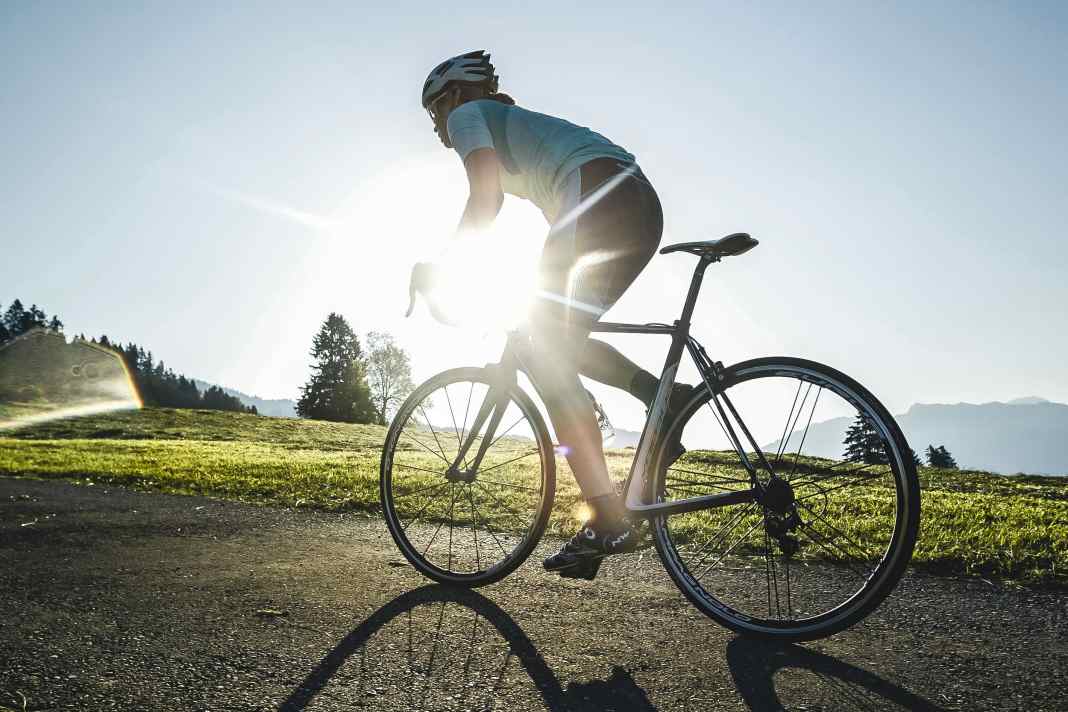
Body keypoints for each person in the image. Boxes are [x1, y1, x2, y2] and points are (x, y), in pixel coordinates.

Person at [420, 50, 692, 579]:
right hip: (636, 202)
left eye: (434, 111)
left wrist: (442, 265)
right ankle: (664, 398)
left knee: (545, 351)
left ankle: (607, 517)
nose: (438, 128)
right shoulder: (518, 128)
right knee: (560, 338)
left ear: (453, 97)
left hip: (596, 195)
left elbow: (485, 201)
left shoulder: (468, 116)